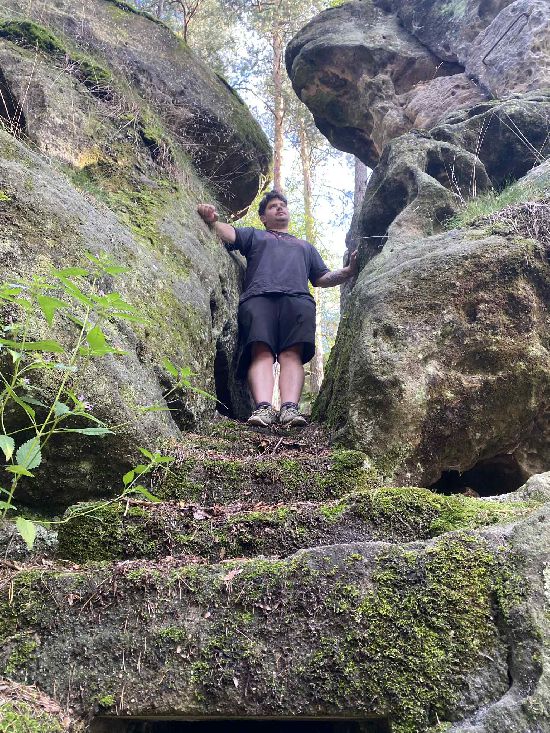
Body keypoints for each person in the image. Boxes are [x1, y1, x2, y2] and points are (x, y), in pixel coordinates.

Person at [197, 191, 358, 427]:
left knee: (291, 355)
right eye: (273, 206)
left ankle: (289, 409)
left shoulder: (305, 247)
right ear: (263, 217)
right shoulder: (255, 235)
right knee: (260, 351)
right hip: (259, 298)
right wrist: (211, 218)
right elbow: (229, 233)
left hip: (298, 301)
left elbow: (322, 278)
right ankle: (263, 408)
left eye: (283, 205)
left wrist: (349, 271)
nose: (280, 208)